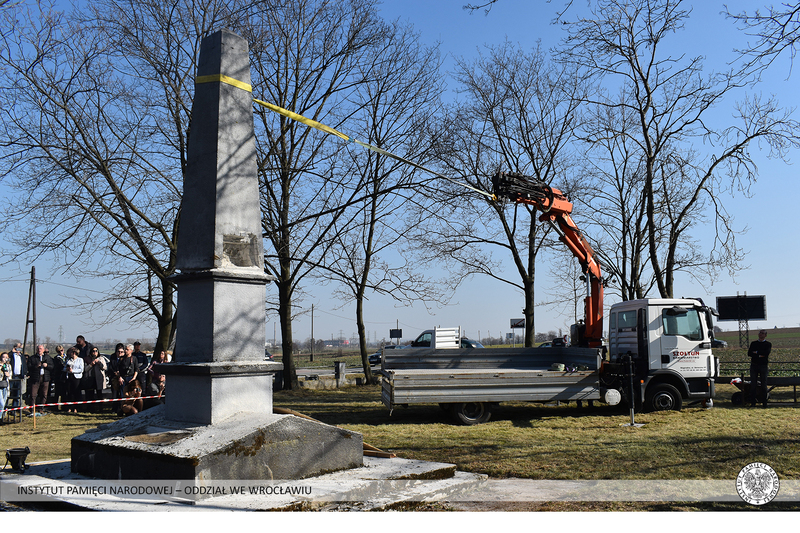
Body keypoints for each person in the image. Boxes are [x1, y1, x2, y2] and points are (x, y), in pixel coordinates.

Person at [748, 329, 772, 407]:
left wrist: (756, 352)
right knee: (753, 384)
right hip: (754, 365)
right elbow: (749, 353)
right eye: (760, 333)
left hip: (763, 366)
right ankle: (753, 403)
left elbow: (766, 353)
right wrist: (760, 354)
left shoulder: (768, 344)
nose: (761, 334)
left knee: (763, 385)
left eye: (763, 333)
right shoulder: (753, 343)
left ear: (765, 335)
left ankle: (764, 403)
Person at [84, 347, 108, 412]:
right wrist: (91, 365)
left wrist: (99, 363)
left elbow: (105, 367)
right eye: (93, 351)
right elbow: (85, 369)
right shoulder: (88, 359)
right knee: (90, 394)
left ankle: (100, 408)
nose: (95, 352)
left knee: (99, 394)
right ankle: (91, 408)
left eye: (96, 351)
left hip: (99, 379)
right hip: (90, 379)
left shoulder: (101, 358)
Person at [65, 347, 84, 413]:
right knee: (70, 393)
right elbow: (64, 368)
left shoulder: (80, 360)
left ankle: (76, 408)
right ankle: (69, 407)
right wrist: (66, 369)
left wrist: (73, 370)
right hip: (69, 377)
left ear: (74, 353)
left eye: (70, 352)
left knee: (77, 393)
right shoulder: (68, 360)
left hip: (76, 378)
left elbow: (81, 369)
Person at [51, 345, 68, 411]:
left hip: (65, 377)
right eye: (58, 351)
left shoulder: (67, 357)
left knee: (65, 393)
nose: (60, 352)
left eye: (61, 350)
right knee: (57, 393)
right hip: (58, 377)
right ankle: (55, 407)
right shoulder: (56, 358)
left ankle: (64, 407)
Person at [0, 352, 12, 421]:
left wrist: (7, 372)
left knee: (4, 403)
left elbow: (9, 375)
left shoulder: (8, 366)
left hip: (5, 385)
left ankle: (2, 417)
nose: (5, 359)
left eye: (6, 357)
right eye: (4, 357)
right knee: (1, 403)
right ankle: (0, 418)